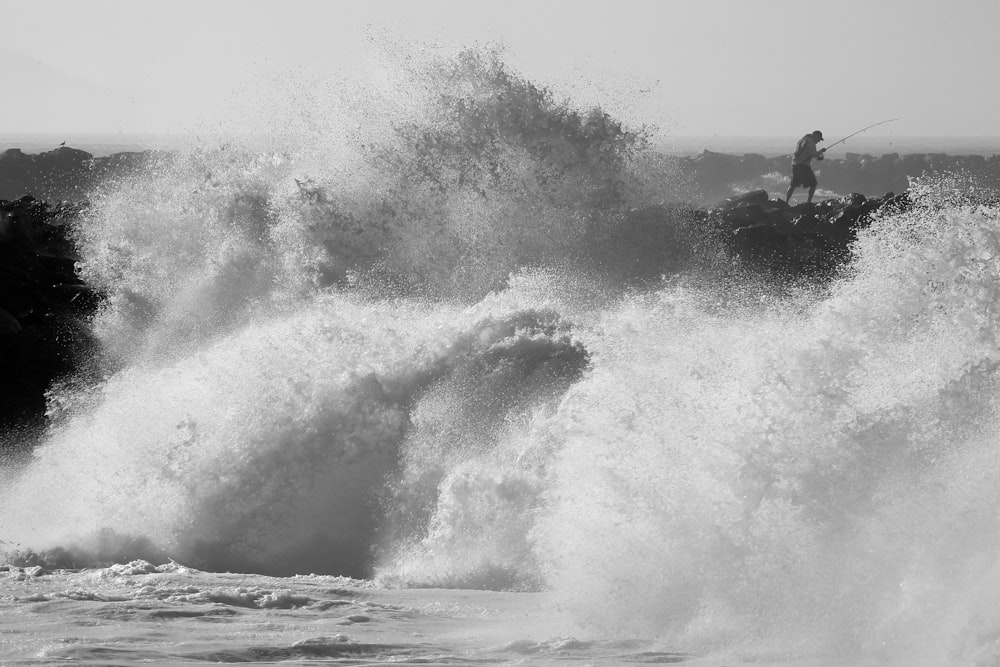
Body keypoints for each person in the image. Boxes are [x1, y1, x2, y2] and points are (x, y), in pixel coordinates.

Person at [785, 130, 826, 204]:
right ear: (816, 136)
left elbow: (804, 152)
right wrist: (821, 151)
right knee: (813, 184)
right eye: (819, 139)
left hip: (795, 164)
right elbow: (814, 154)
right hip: (803, 166)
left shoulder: (802, 140)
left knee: (793, 185)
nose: (819, 141)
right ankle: (809, 202)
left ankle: (786, 202)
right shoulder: (811, 142)